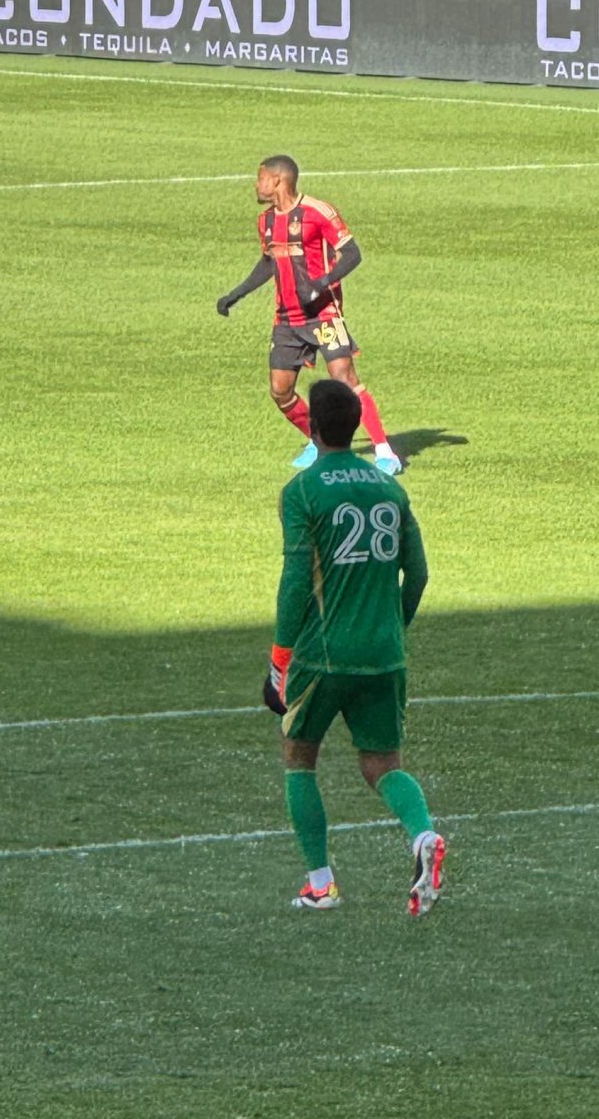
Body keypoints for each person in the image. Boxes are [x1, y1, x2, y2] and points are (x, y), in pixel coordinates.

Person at [263, 378, 443, 916]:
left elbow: (296, 582)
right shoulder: (390, 488)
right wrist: (392, 625)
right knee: (382, 763)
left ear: (312, 426)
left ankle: (321, 882)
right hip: (383, 652)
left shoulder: (302, 492)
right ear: (356, 425)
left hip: (323, 653)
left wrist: (279, 661)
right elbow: (420, 575)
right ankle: (422, 835)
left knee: (299, 757)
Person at [216, 155, 402, 476]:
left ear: (277, 180)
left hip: (323, 313)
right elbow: (268, 262)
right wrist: (236, 294)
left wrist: (320, 285)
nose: (256, 185)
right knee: (280, 390)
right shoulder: (266, 221)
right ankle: (318, 443)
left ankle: (385, 452)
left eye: (260, 178)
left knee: (345, 379)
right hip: (287, 319)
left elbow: (352, 253)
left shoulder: (317, 212)